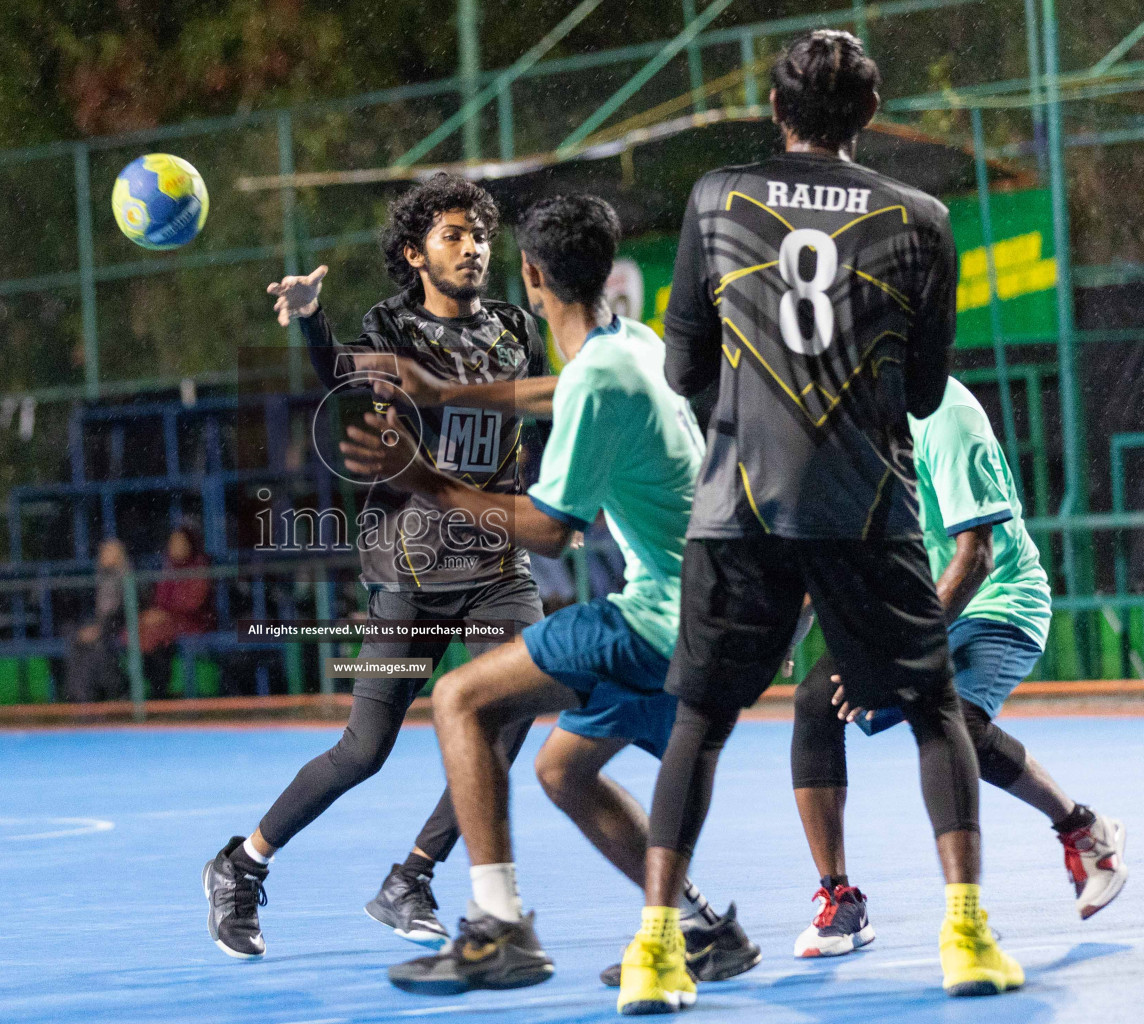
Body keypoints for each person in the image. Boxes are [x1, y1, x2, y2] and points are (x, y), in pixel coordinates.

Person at [620, 29, 1023, 1014]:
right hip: (866, 507)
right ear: (870, 117)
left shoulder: (716, 197)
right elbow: (925, 393)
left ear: (774, 106)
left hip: (740, 506)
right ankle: (967, 934)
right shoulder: (922, 217)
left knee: (701, 725)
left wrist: (757, 412)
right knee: (933, 712)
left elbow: (682, 369)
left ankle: (655, 952)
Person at [340, 194, 761, 996]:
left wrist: (423, 478)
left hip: (659, 621)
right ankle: (704, 932)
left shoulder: (602, 376)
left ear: (530, 276)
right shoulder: (632, 342)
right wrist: (442, 394)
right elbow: (557, 391)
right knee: (564, 769)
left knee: (461, 700)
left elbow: (546, 530)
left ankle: (499, 929)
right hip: (715, 616)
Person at [203, 174, 550, 960]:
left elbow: (528, 419)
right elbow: (343, 373)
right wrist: (311, 322)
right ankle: (241, 865)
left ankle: (412, 878)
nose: (473, 248)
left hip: (497, 563)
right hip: (412, 567)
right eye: (454, 235)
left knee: (520, 702)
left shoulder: (516, 328)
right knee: (365, 749)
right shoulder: (391, 327)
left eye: (479, 235)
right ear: (413, 252)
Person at [789, 377, 1127, 957]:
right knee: (814, 701)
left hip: (999, 600)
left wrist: (893, 652)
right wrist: (787, 629)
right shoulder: (840, 430)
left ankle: (1079, 832)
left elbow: (975, 559)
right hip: (910, 600)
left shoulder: (945, 416)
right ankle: (839, 898)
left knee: (948, 721)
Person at [139, 524, 214, 698]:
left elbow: (193, 604)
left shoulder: (199, 568)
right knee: (141, 632)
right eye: (173, 543)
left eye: (181, 543)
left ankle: (161, 691)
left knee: (156, 636)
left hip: (192, 622)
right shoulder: (167, 569)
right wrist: (155, 614)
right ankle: (148, 690)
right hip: (167, 623)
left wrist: (165, 615)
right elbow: (159, 602)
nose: (177, 547)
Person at [66, 538, 131, 702]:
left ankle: (118, 691)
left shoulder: (126, 578)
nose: (103, 556)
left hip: (117, 626)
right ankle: (80, 697)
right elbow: (94, 610)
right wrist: (92, 627)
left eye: (108, 552)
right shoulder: (100, 578)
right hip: (102, 625)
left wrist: (102, 628)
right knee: (77, 642)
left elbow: (123, 611)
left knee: (99, 648)